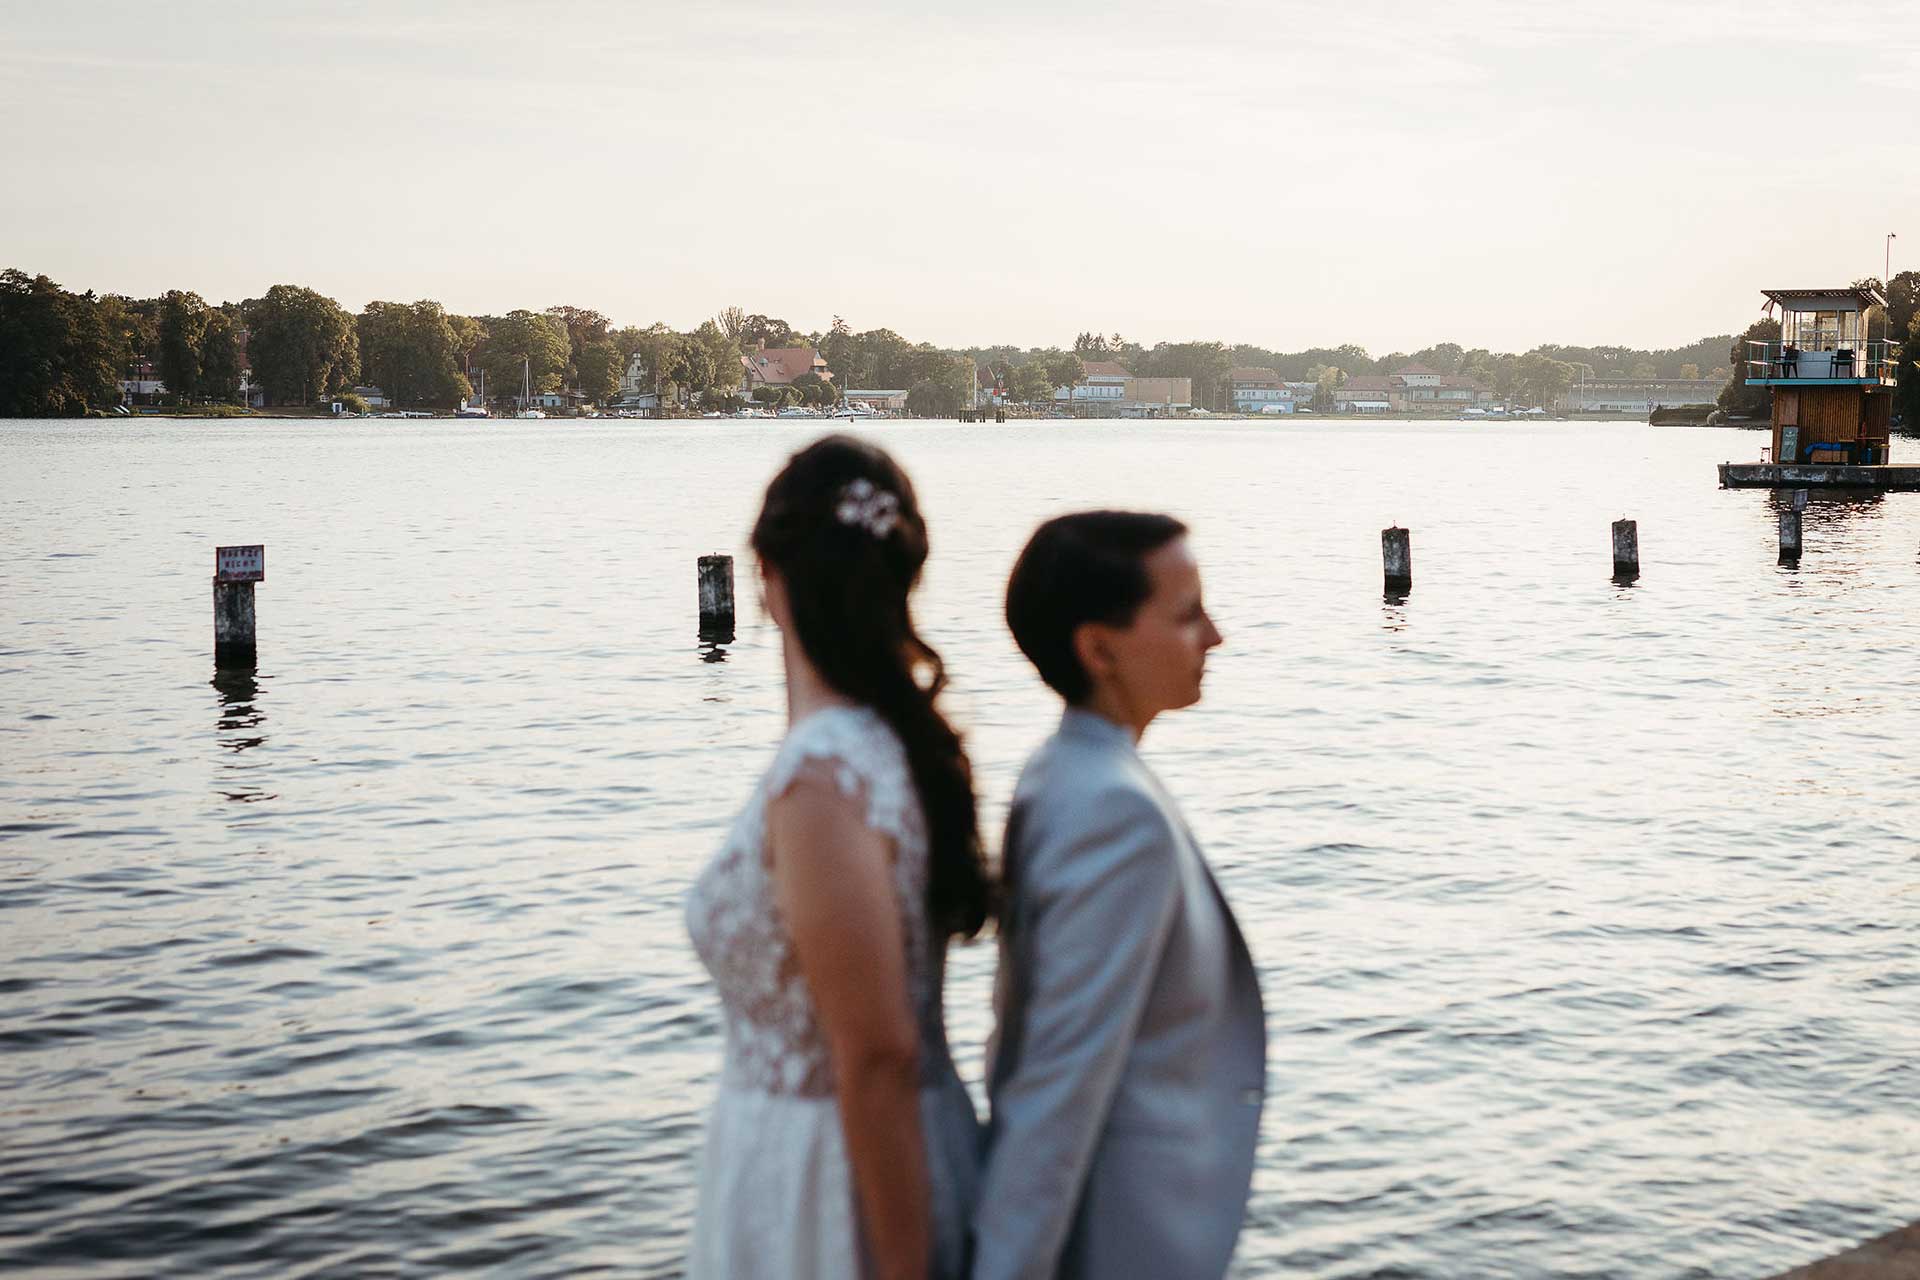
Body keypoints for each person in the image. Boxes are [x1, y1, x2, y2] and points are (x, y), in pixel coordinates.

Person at [685, 435, 990, 1280]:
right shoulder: (885, 748)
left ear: (765, 577)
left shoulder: (824, 777)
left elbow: (879, 1055)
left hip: (830, 1190)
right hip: (853, 1156)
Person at [973, 511, 1266, 1280]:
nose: (1216, 636)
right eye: (1186, 614)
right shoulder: (1113, 813)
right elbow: (1056, 1086)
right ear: (1099, 648)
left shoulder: (1063, 772)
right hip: (1118, 1243)